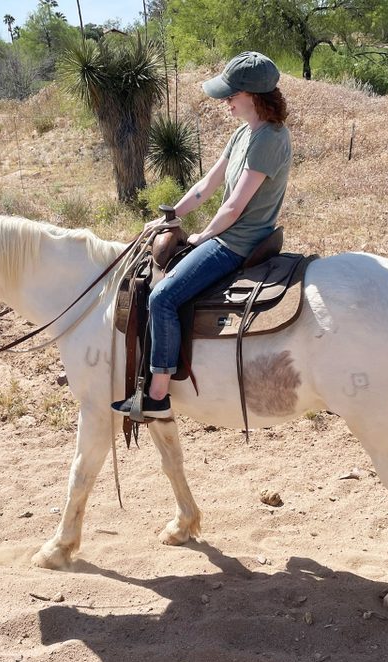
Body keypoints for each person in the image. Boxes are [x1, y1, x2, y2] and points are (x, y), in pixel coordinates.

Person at [112, 51, 292, 419]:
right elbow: (207, 185)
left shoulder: (270, 139)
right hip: (227, 233)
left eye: (231, 95)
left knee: (162, 297)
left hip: (238, 242)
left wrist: (202, 236)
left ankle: (158, 395)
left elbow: (234, 207)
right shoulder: (244, 133)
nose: (225, 102)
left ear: (253, 95)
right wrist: (171, 216)